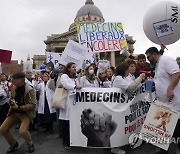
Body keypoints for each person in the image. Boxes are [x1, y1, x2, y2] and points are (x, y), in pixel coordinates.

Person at [145, 47, 180, 154]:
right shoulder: (158, 64)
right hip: (163, 102)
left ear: (154, 54)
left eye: (148, 57)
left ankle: (178, 148)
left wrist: (169, 89)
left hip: (173, 100)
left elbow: (177, 73)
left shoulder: (166, 60)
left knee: (176, 125)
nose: (148, 59)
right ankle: (162, 148)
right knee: (163, 125)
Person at [111, 63, 145, 154]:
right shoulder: (118, 78)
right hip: (118, 106)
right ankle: (115, 147)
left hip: (123, 105)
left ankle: (122, 143)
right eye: (127, 70)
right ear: (123, 70)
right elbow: (130, 88)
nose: (128, 71)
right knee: (118, 126)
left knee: (123, 126)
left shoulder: (124, 78)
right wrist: (140, 78)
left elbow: (134, 86)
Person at [0, 72, 36, 153]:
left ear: (20, 80)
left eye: (14, 79)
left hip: (25, 113)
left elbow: (33, 104)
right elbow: (12, 97)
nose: (12, 81)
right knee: (3, 129)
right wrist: (10, 100)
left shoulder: (30, 89)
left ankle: (30, 144)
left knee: (23, 131)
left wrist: (19, 107)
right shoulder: (14, 88)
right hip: (14, 112)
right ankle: (13, 144)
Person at [59, 62, 81, 149]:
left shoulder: (76, 78)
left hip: (75, 102)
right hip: (67, 102)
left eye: (75, 67)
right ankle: (66, 142)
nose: (75, 68)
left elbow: (78, 86)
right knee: (66, 124)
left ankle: (73, 140)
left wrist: (77, 86)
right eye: (73, 67)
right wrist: (75, 86)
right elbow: (66, 85)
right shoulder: (64, 76)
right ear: (68, 69)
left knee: (73, 123)